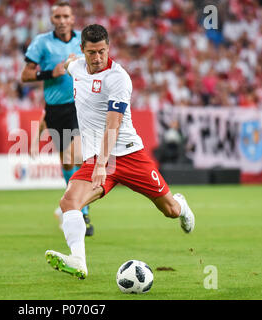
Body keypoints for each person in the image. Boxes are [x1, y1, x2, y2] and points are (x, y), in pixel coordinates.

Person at [45, 25, 195, 279]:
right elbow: (70, 63)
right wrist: (66, 61)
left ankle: (182, 206)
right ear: (83, 49)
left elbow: (113, 125)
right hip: (98, 159)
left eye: (102, 51)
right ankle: (79, 260)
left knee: (168, 210)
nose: (97, 57)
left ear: (108, 49)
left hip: (129, 155)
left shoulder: (118, 78)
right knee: (69, 201)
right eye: (92, 52)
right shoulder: (77, 67)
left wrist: (102, 165)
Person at [21, 1, 94, 236]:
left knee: (78, 156)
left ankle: (81, 211)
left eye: (66, 16)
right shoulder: (42, 43)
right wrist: (50, 73)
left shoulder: (82, 41)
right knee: (66, 164)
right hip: (55, 110)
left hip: (78, 105)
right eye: (58, 17)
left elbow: (97, 64)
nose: (62, 20)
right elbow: (25, 75)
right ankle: (74, 206)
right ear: (52, 20)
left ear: (73, 19)